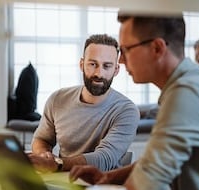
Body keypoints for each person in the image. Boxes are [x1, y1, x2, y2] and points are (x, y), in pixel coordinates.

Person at [70, 13, 199, 190]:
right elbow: (153, 162)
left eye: (126, 50)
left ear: (157, 48)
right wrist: (107, 178)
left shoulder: (188, 94)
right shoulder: (194, 82)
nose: (122, 61)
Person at [29, 34, 140, 173]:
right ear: (82, 64)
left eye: (107, 66)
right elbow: (41, 139)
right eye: (93, 64)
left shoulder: (127, 111)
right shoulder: (57, 99)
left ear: (116, 70)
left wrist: (57, 164)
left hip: (102, 187)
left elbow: (104, 158)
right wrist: (43, 156)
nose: (99, 74)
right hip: (61, 180)